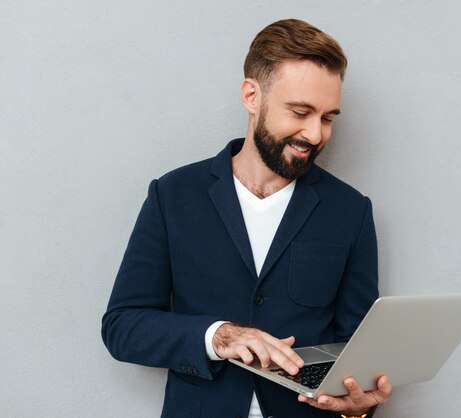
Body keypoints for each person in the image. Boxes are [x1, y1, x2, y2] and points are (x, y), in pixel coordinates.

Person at [101, 18, 391, 418]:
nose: (314, 133)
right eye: (300, 111)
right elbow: (122, 326)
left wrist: (357, 409)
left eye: (327, 118)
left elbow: (358, 350)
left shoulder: (351, 211)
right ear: (252, 96)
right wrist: (218, 336)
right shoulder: (172, 195)